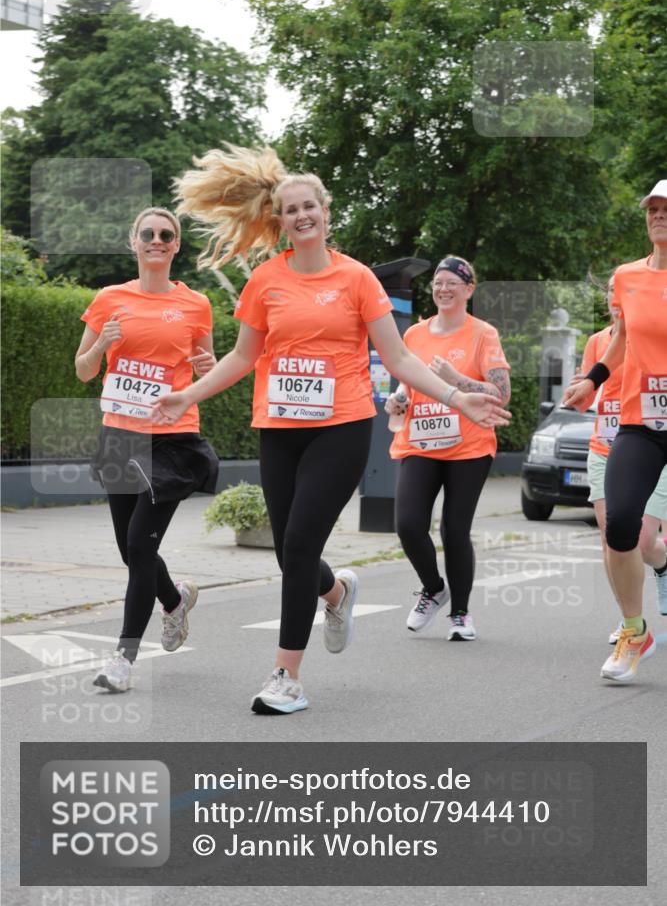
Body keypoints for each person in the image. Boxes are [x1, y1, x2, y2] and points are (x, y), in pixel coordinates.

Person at [151, 144, 511, 715]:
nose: (301, 216)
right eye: (290, 210)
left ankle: (286, 677)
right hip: (279, 426)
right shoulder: (266, 280)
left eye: (309, 207)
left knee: (297, 543)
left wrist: (457, 396)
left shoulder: (357, 279)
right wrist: (187, 394)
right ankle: (336, 593)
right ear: (280, 219)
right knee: (289, 555)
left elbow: (398, 358)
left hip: (341, 427)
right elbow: (243, 357)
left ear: (325, 211)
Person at [75, 207, 219, 693]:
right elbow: (82, 370)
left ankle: (123, 658)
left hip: (171, 440)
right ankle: (175, 601)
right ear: (133, 243)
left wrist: (206, 364)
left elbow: (208, 371)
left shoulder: (197, 304)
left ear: (176, 245)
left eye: (166, 235)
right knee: (129, 550)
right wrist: (101, 347)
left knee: (140, 545)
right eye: (148, 234)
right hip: (120, 435)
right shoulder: (109, 299)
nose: (157, 240)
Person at [564, 179, 667, 683]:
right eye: (653, 208)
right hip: (642, 422)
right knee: (620, 525)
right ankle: (634, 630)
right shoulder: (627, 277)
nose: (659, 215)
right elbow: (621, 341)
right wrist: (592, 381)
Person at [385, 256, 511, 641]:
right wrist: (398, 399)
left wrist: (458, 380)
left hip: (469, 445)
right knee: (408, 525)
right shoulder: (414, 336)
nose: (442, 289)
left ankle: (460, 614)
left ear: (469, 289)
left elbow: (502, 395)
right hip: (420, 440)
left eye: (452, 283)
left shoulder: (483, 334)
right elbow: (407, 383)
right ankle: (434, 588)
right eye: (438, 282)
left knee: (454, 529)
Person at [581, 274, 667, 646]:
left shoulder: (650, 333)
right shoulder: (598, 342)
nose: (618, 308)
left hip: (653, 434)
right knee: (614, 533)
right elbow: (587, 397)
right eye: (613, 303)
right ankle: (630, 622)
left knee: (645, 540)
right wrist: (585, 385)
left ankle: (663, 564)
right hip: (608, 445)